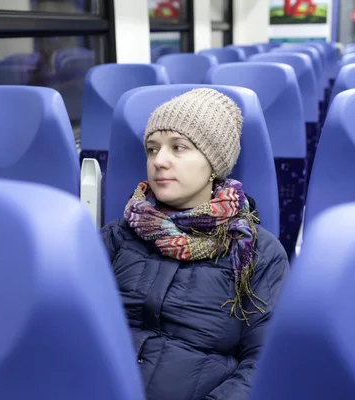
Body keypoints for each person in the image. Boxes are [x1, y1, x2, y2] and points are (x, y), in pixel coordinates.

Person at [102, 88, 290, 400]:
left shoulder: (257, 253)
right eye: (152, 149)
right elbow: (72, 330)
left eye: (178, 148)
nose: (159, 161)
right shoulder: (117, 236)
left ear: (213, 164)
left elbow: (265, 362)